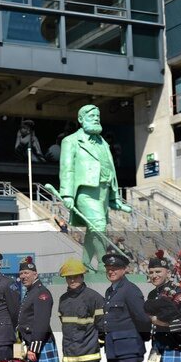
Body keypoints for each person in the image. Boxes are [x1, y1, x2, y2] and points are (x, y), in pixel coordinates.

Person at [58, 104, 131, 270]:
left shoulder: (103, 143)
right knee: (98, 225)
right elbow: (67, 169)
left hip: (104, 191)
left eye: (98, 116)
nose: (96, 119)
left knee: (94, 229)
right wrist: (67, 195)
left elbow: (109, 167)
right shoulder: (70, 141)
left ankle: (86, 262)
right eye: (92, 116)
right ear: (81, 119)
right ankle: (107, 265)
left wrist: (114, 198)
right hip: (86, 191)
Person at [17, 256, 61, 362]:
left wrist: (33, 348)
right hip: (33, 344)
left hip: (40, 344)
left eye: (26, 272)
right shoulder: (32, 291)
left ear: (35, 273)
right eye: (21, 273)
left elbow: (41, 323)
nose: (23, 276)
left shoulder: (41, 293)